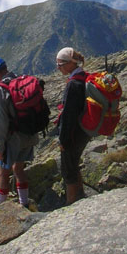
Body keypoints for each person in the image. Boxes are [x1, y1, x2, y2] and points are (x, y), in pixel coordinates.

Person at [0, 56, 37, 207]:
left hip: (12, 138)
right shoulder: (21, 80)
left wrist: (1, 147)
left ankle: (0, 207)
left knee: (3, 171)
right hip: (29, 133)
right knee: (19, 169)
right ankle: (24, 203)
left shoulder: (0, 89)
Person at [56, 47, 90, 205]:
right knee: (74, 163)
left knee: (68, 170)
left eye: (60, 64)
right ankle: (81, 195)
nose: (58, 68)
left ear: (71, 63)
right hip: (84, 130)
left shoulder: (73, 84)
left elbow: (68, 115)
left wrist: (63, 140)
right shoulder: (84, 77)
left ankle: (72, 204)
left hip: (73, 134)